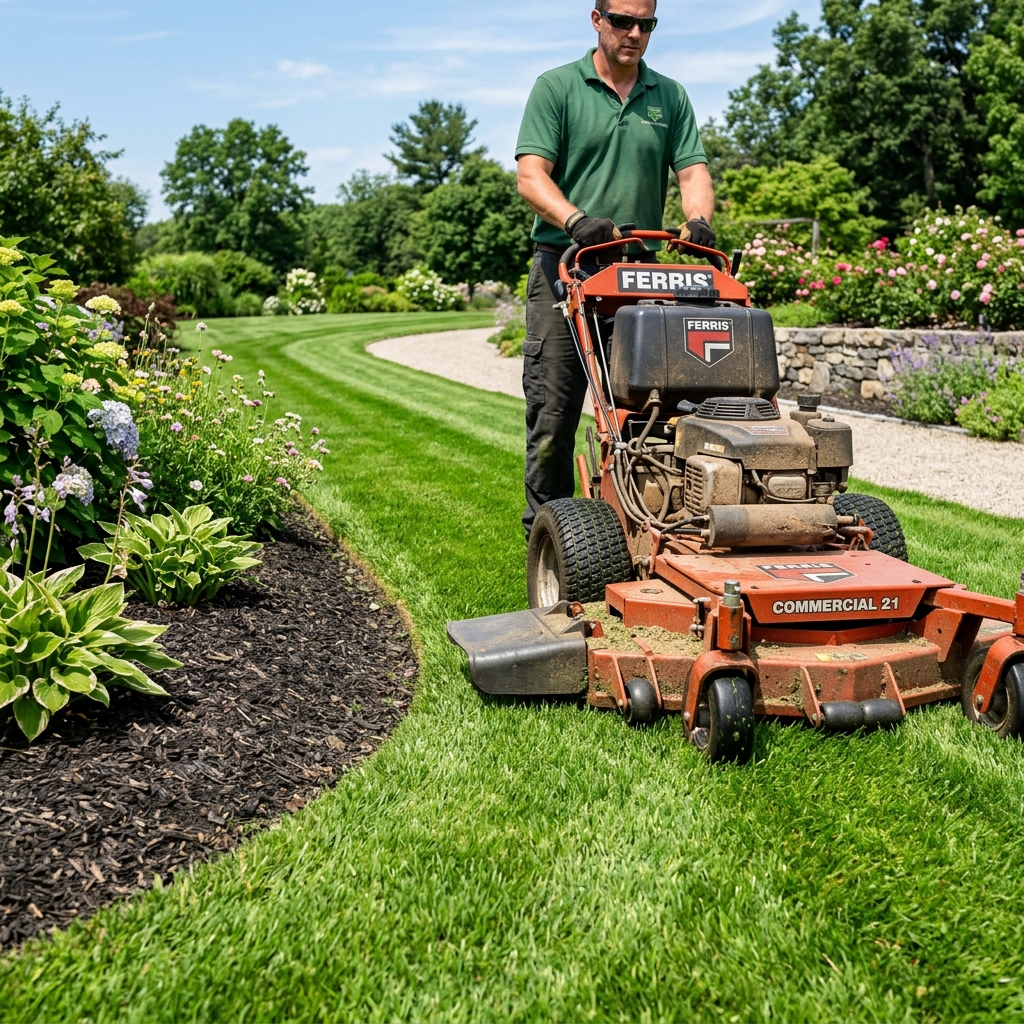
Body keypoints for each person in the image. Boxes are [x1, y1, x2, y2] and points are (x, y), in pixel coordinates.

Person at [515, 0, 716, 537]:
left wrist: (698, 220)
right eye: (622, 21)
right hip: (567, 268)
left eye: (645, 24)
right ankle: (547, 537)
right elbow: (531, 176)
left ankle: (645, 523)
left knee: (651, 408)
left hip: (639, 275)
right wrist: (575, 220)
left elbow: (693, 172)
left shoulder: (668, 95)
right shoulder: (557, 87)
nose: (634, 33)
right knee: (553, 414)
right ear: (597, 19)